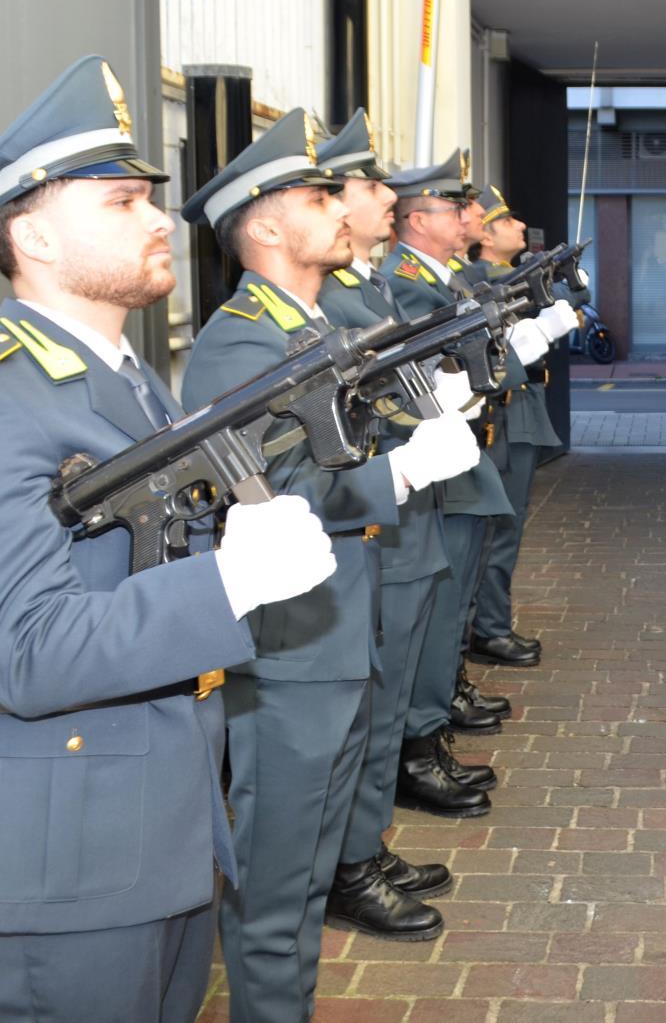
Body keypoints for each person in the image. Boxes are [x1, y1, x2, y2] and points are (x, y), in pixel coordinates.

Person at [0, 56, 338, 1021]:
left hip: (164, 831)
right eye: (123, 200)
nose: (157, 220)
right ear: (35, 234)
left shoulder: (131, 380)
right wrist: (232, 582)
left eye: (151, 199)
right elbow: (28, 651)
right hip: (73, 863)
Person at [180, 109, 479, 1020]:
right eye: (319, 196)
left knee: (308, 878)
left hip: (337, 632)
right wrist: (405, 468)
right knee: (276, 892)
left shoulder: (305, 325)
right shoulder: (242, 341)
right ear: (266, 224)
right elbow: (277, 503)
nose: (347, 209)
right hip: (291, 656)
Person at [316, 109, 472, 941]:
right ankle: (352, 861)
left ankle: (364, 847)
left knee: (381, 692)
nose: (383, 195)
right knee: (363, 707)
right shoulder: (328, 300)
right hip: (358, 526)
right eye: (368, 182)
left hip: (382, 513)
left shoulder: (359, 287)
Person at [381, 155, 547, 814]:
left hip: (460, 453)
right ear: (418, 218)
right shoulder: (411, 281)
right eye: (455, 208)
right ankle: (422, 741)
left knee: (448, 600)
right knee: (437, 602)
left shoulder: (439, 276)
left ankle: (432, 725)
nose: (467, 219)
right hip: (437, 462)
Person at [462, 182, 578, 664]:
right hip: (505, 409)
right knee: (500, 525)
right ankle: (489, 627)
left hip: (522, 402)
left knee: (505, 524)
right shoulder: (484, 278)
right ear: (485, 237)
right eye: (507, 221)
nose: (519, 227)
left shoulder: (511, 275)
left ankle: (488, 621)